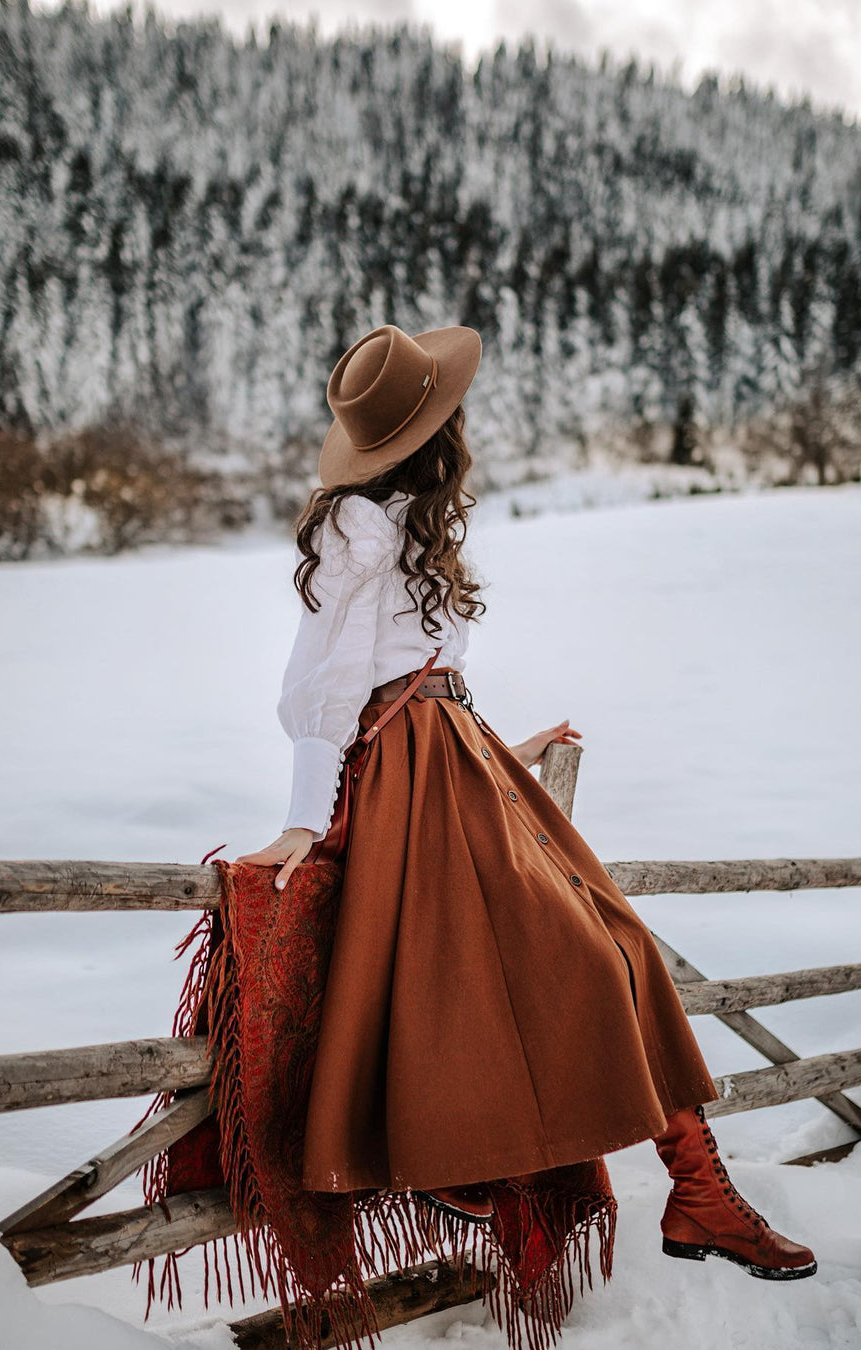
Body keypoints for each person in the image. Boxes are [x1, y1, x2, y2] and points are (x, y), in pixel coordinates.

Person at [235, 322, 816, 1282]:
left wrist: (500, 749)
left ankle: (700, 1192)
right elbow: (328, 694)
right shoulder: (359, 528)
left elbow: (414, 681)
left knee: (620, 943)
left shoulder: (407, 521)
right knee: (582, 962)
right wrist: (305, 818)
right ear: (430, 430)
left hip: (461, 768)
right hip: (416, 787)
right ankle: (655, 1187)